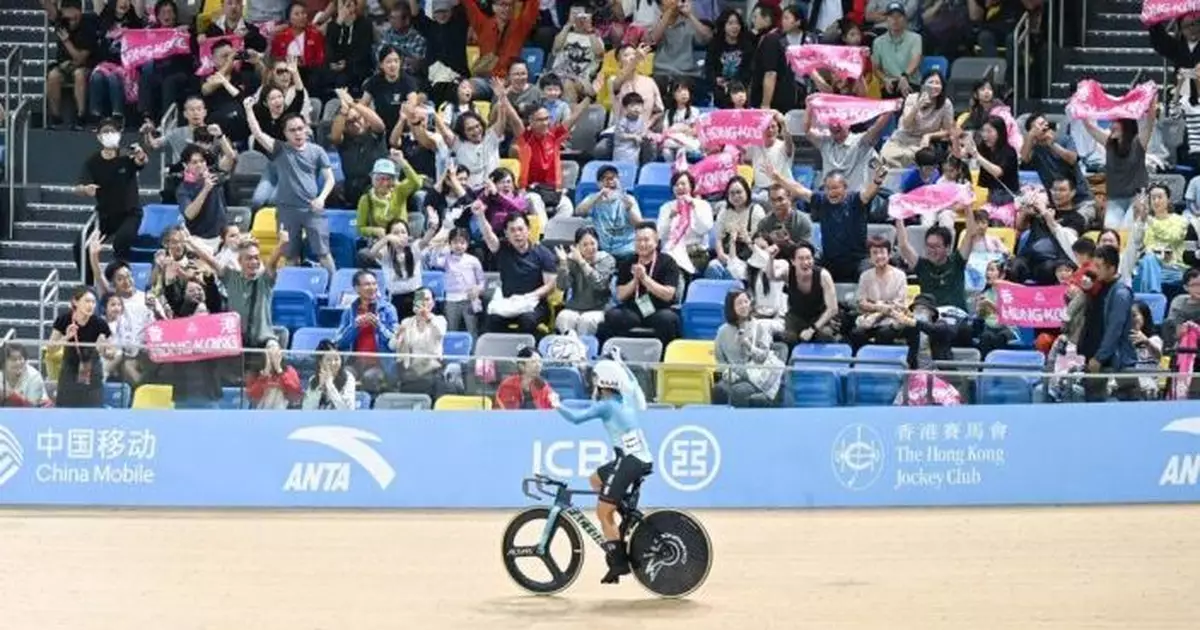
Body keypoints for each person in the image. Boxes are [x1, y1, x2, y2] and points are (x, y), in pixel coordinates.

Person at [550, 354, 652, 585]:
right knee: (595, 479)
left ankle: (619, 563)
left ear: (605, 382)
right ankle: (624, 517)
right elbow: (633, 384)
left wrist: (556, 404)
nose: (594, 382)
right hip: (638, 458)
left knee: (602, 513)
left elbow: (576, 419)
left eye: (597, 378)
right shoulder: (626, 398)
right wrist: (622, 364)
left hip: (629, 460)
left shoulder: (606, 406)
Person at [243, 98, 337, 274]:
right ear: (285, 134)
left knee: (324, 254)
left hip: (312, 209)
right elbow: (257, 132)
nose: (298, 133)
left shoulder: (317, 151)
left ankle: (335, 286)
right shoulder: (280, 149)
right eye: (292, 130)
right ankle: (291, 287)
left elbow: (330, 179)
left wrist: (321, 198)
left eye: (300, 129)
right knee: (290, 255)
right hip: (286, 210)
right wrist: (248, 109)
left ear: (306, 129)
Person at [74, 119, 149, 284]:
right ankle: (89, 284)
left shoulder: (126, 155)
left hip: (130, 213)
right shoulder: (92, 162)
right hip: (106, 215)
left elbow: (141, 161)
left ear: (119, 134)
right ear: (99, 137)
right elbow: (78, 187)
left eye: (112, 131)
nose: (109, 135)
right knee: (80, 244)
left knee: (122, 240)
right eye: (105, 132)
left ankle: (121, 281)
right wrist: (86, 189)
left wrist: (140, 156)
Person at [597, 222, 682, 346]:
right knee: (613, 316)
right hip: (633, 309)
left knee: (668, 320)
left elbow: (668, 294)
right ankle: (616, 355)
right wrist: (635, 280)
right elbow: (621, 295)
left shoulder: (668, 262)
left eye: (646, 240)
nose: (642, 244)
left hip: (658, 309)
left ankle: (662, 360)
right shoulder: (628, 262)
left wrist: (645, 279)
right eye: (638, 240)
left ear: (656, 241)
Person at [1079, 244, 1139, 402]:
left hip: (1114, 359)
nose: (1095, 270)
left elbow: (1115, 329)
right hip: (1094, 354)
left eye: (1099, 267)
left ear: (1112, 268)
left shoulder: (1120, 293)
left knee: (1129, 405)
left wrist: (1099, 357)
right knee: (1093, 405)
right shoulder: (1097, 288)